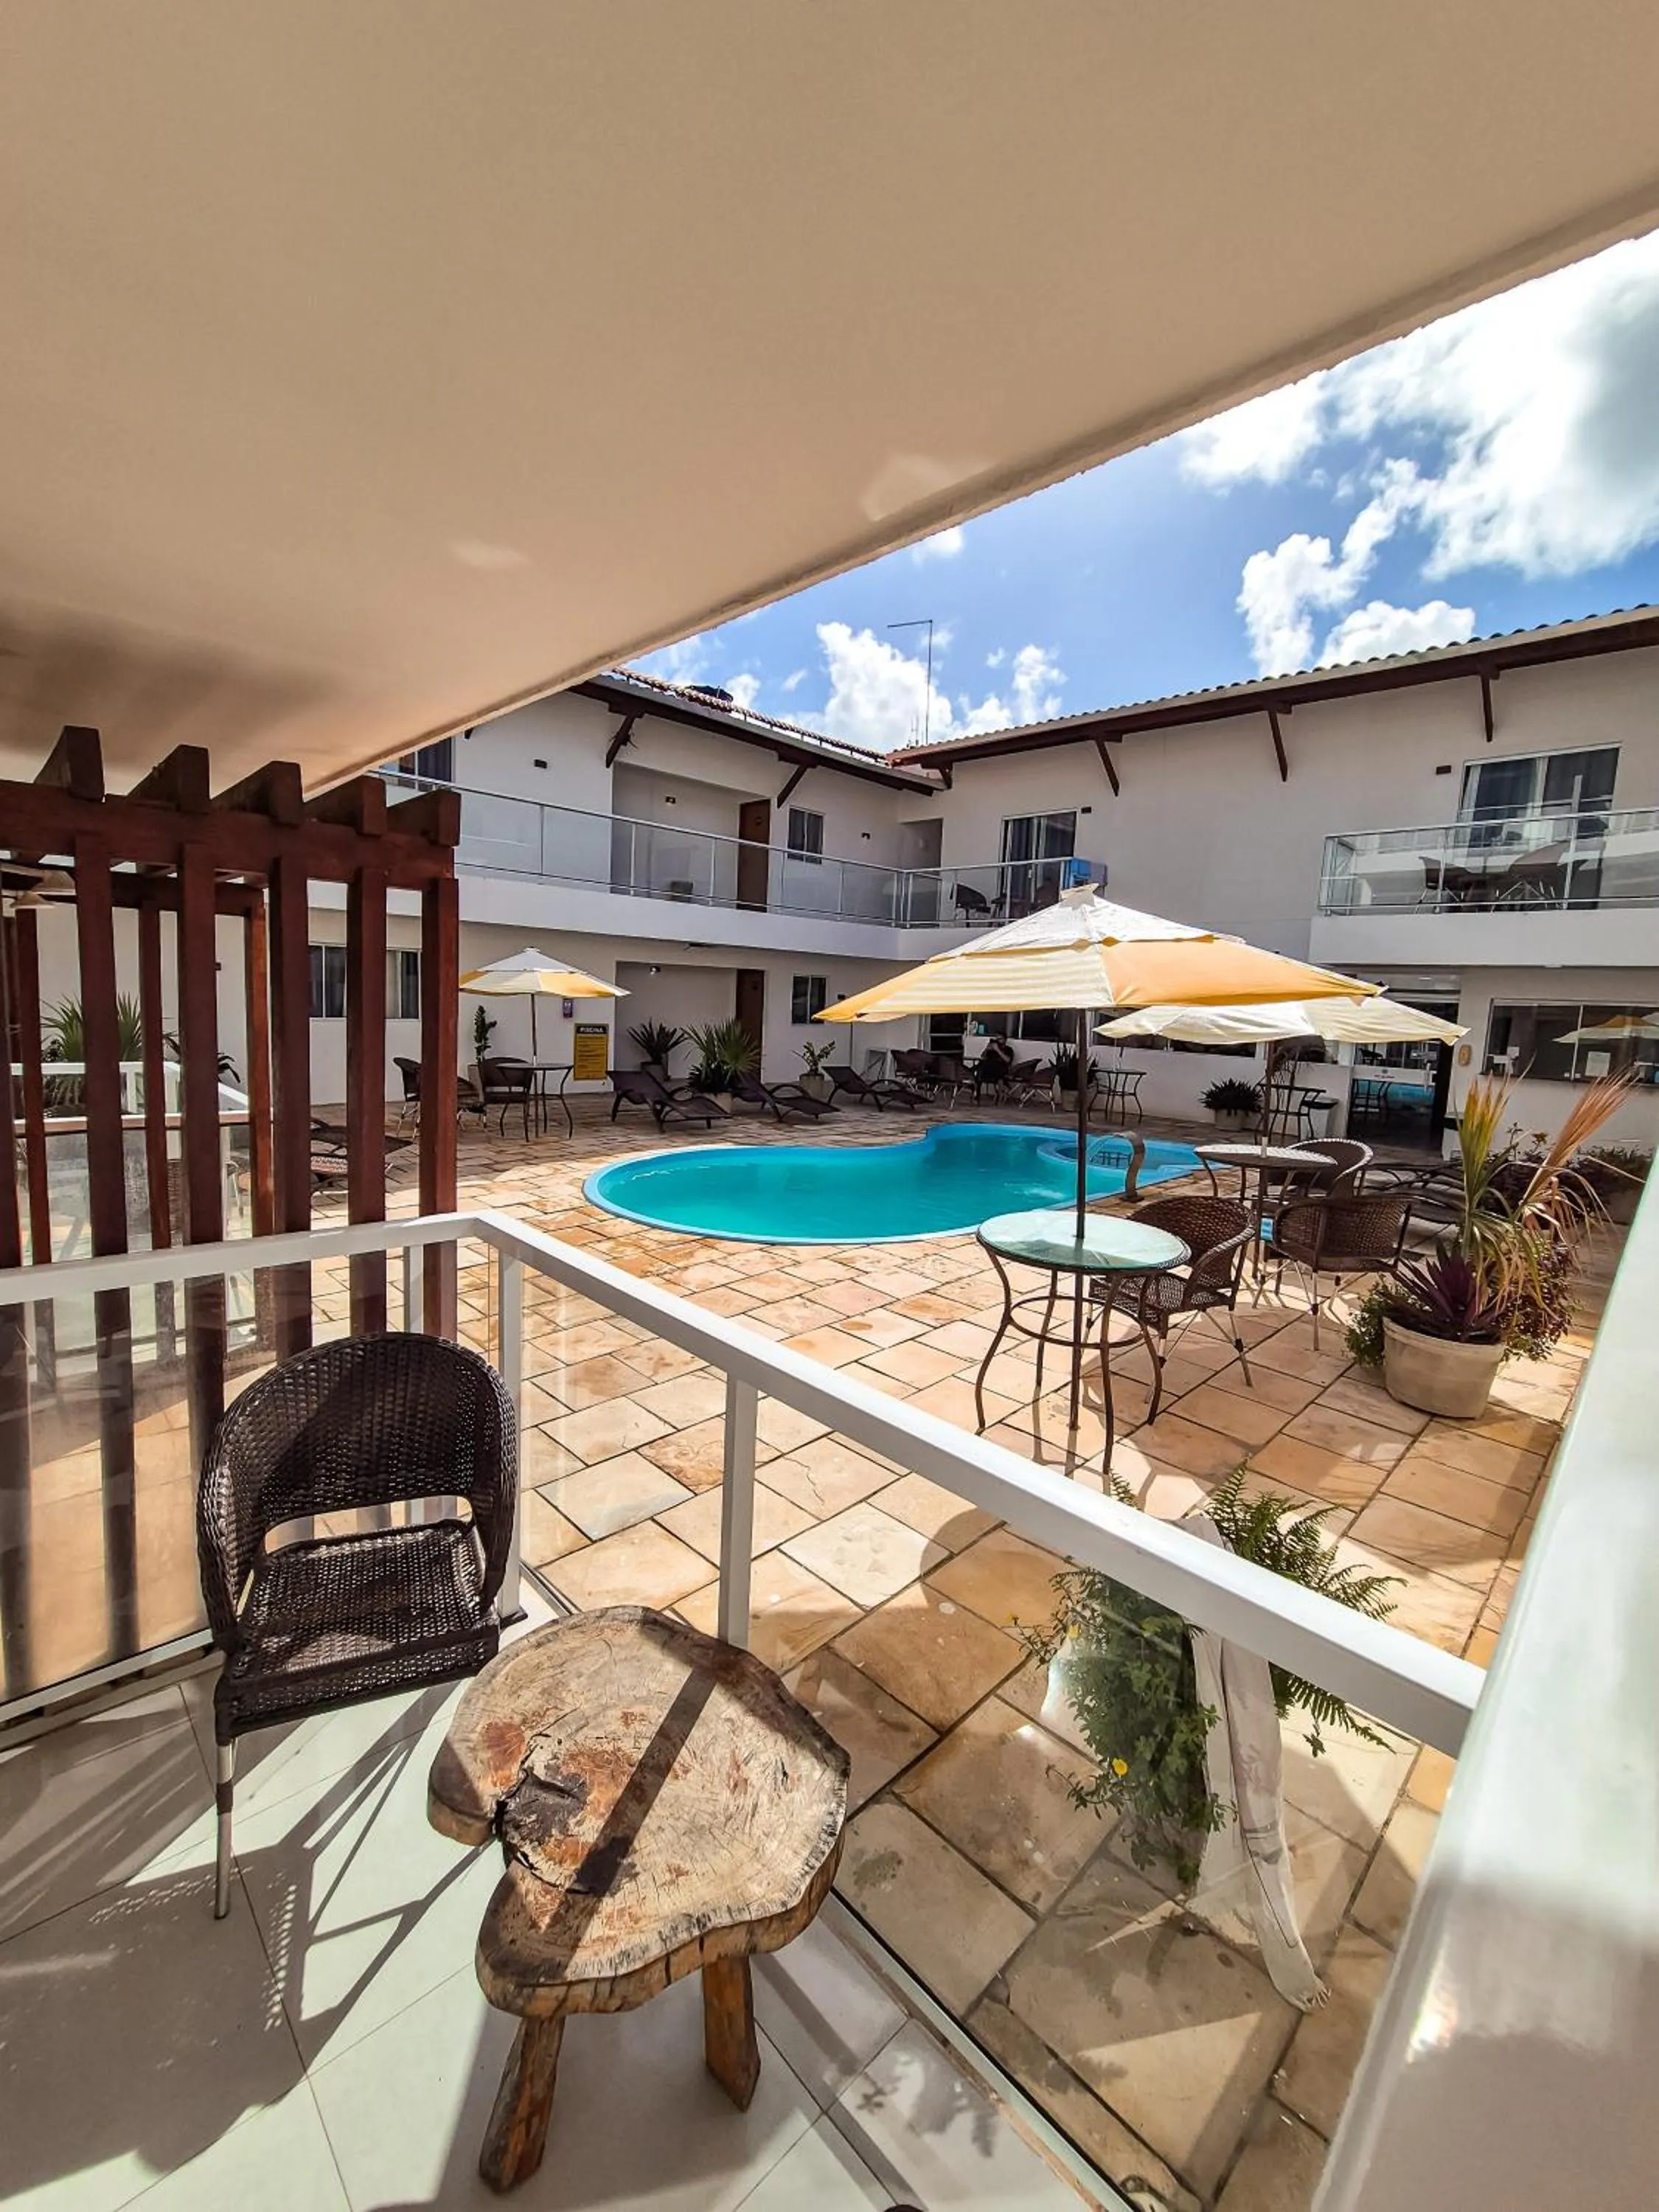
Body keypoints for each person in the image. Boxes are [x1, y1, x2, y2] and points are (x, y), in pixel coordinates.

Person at [975, 1032, 1015, 1099]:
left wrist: (998, 1050)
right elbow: (982, 1057)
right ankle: (976, 1092)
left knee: (992, 1068)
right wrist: (987, 1050)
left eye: (1000, 1039)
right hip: (987, 1069)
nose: (998, 1041)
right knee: (979, 1068)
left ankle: (1002, 1091)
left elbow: (1008, 1060)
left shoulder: (1008, 1049)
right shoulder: (992, 1050)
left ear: (1005, 1040)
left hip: (1000, 1069)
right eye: (997, 1039)